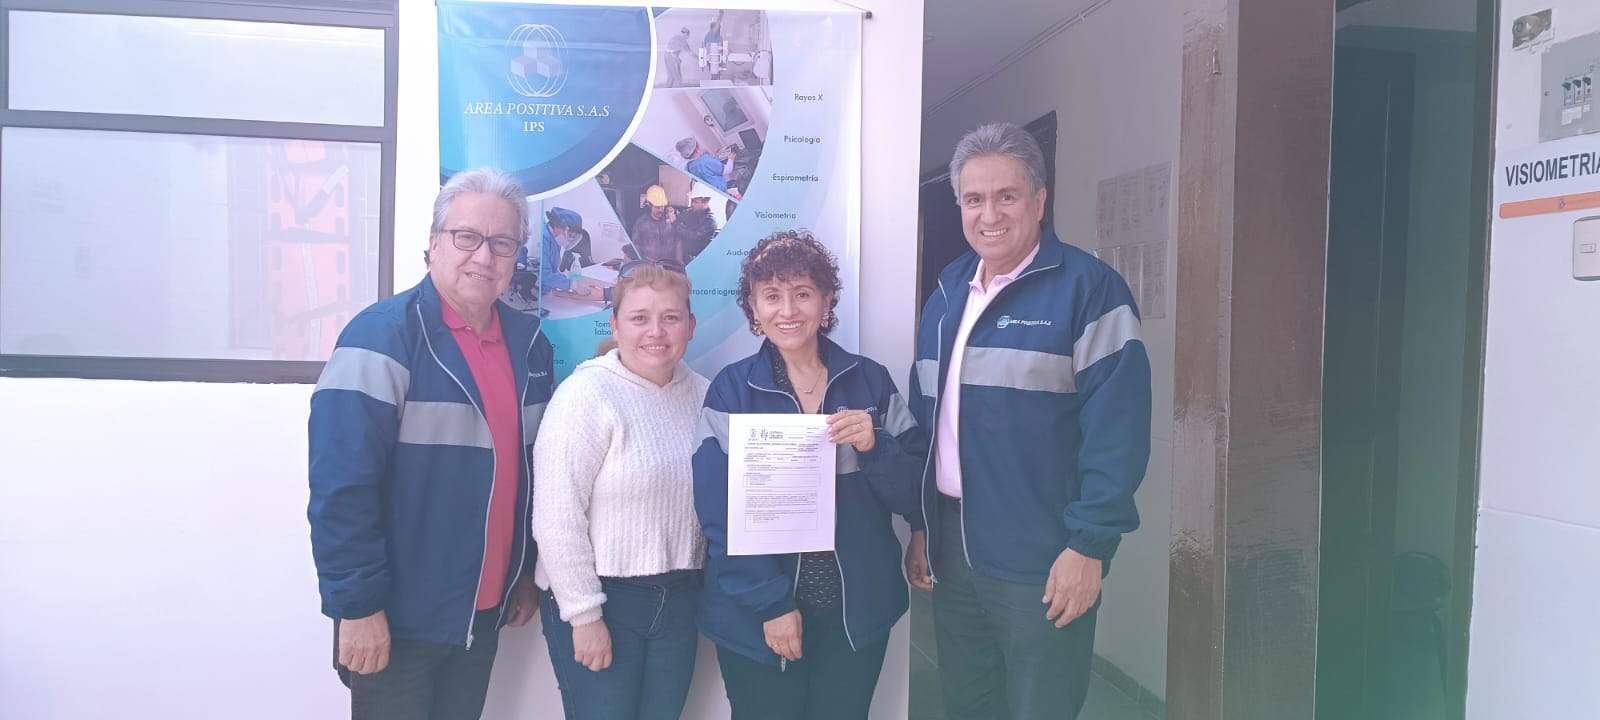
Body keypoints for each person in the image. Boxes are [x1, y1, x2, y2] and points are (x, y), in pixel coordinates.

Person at [904, 122, 1152, 720]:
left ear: (1040, 201)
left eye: (1006, 196)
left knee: (1041, 706)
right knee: (968, 704)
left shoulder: (1090, 291)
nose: (989, 215)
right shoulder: (946, 294)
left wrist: (1089, 546)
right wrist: (922, 527)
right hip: (954, 550)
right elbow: (929, 427)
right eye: (973, 199)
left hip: (1043, 553)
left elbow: (1118, 431)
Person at [308, 167, 554, 720]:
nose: (483, 256)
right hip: (396, 618)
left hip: (482, 612)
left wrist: (524, 571)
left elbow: (533, 472)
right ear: (434, 242)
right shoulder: (381, 336)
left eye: (502, 243)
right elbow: (341, 487)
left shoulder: (529, 346)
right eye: (466, 237)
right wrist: (357, 607)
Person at [693, 230, 923, 719]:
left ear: (827, 299)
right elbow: (718, 516)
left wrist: (875, 446)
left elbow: (912, 495)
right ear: (753, 307)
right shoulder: (731, 391)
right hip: (756, 618)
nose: (788, 310)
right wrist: (772, 604)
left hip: (854, 616)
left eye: (802, 293)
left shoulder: (871, 382)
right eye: (771, 296)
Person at [533, 261, 709, 720]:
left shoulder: (706, 397)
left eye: (670, 317)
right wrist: (585, 616)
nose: (656, 331)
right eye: (639, 318)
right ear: (614, 325)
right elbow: (556, 517)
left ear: (690, 325)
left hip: (679, 599)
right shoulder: (586, 395)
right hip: (603, 601)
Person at [631, 185, 683, 265]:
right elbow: (636, 247)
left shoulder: (672, 221)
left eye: (662, 206)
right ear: (649, 205)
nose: (661, 210)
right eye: (657, 207)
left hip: (668, 265)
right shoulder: (641, 223)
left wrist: (679, 262)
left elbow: (678, 242)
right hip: (649, 266)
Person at [676, 138, 741, 199]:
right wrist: (731, 159)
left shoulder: (688, 167)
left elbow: (706, 172)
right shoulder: (705, 160)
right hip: (723, 192)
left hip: (712, 196)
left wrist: (714, 157)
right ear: (697, 150)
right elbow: (728, 170)